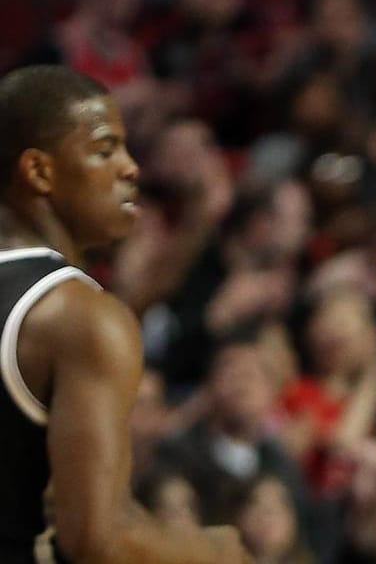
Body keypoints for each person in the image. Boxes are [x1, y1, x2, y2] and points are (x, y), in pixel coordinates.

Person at [0, 65, 252, 563]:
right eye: (104, 149)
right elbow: (96, 537)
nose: (132, 168)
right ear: (39, 171)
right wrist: (216, 551)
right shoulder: (79, 318)